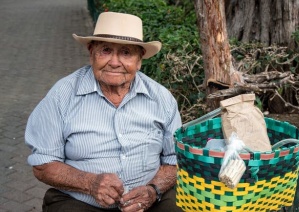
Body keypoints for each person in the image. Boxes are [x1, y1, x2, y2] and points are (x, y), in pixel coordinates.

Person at [25, 12, 183, 212]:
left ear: (139, 59)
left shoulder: (161, 98)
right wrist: (90, 183)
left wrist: (153, 190)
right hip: (82, 200)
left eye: (126, 53)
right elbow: (43, 164)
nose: (115, 62)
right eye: (106, 51)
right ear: (92, 52)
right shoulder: (62, 95)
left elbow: (175, 160)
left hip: (150, 200)